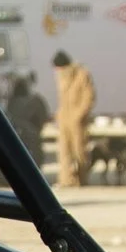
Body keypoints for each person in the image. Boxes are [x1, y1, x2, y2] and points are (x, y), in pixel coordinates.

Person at [51, 48, 96, 185]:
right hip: (64, 119)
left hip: (77, 121)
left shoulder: (82, 74)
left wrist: (79, 115)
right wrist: (58, 116)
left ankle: (82, 179)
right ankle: (66, 181)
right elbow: (62, 99)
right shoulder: (61, 77)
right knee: (64, 152)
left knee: (79, 151)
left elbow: (89, 97)